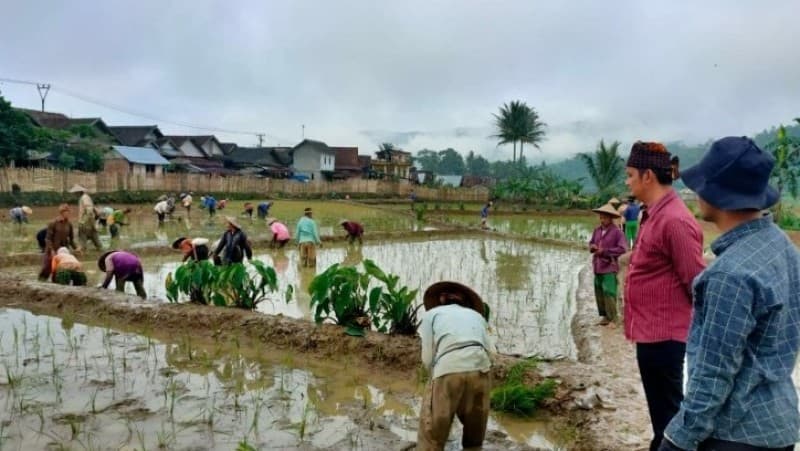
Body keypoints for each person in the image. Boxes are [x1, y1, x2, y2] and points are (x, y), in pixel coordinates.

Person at [660, 137, 800, 451]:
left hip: (734, 433)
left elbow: (714, 371)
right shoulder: (782, 247)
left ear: (715, 193)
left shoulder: (729, 274)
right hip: (779, 426)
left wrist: (678, 439)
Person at [624, 141, 706, 451]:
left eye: (630, 174)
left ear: (648, 177)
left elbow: (696, 283)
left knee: (670, 417)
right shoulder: (653, 214)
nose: (627, 181)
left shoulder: (675, 220)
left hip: (665, 337)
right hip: (650, 334)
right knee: (662, 416)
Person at [417, 281, 493, 451]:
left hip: (448, 369)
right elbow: (490, 351)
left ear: (441, 299)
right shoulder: (478, 317)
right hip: (481, 369)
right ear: (464, 301)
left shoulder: (432, 314)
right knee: (474, 437)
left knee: (432, 433)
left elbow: (427, 358)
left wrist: (433, 381)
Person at [588, 203, 627, 326]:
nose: (602, 220)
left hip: (609, 265)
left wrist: (605, 251)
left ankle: (613, 319)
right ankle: (605, 317)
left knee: (609, 291)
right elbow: (591, 242)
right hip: (598, 265)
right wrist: (592, 247)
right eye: (601, 217)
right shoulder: (597, 230)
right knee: (599, 290)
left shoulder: (617, 232)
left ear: (610, 218)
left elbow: (622, 249)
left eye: (604, 217)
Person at [39, 204, 79, 280]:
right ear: (62, 213)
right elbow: (48, 239)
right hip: (52, 249)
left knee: (61, 269)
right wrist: (51, 250)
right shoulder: (53, 223)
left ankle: (56, 283)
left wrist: (76, 248)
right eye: (66, 212)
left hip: (63, 250)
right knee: (47, 268)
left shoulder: (69, 224)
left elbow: (71, 239)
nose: (68, 214)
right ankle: (41, 282)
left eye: (68, 212)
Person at [71, 184, 102, 251]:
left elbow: (89, 210)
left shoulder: (84, 198)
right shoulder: (85, 197)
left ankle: (84, 256)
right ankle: (98, 254)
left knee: (82, 243)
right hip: (90, 224)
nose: (74, 194)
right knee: (97, 243)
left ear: (78, 192)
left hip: (85, 224)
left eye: (75, 193)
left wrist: (83, 222)